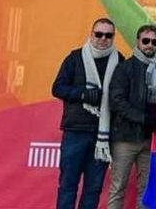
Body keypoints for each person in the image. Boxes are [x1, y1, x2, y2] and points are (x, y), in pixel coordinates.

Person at [52, 17, 123, 209]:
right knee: (68, 185)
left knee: (93, 188)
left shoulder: (120, 61)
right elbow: (57, 88)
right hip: (75, 131)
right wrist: (82, 94)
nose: (103, 39)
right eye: (98, 34)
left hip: (103, 135)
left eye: (108, 35)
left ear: (113, 37)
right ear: (91, 34)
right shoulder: (74, 58)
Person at [107, 24, 156, 209]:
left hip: (149, 140)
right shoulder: (124, 68)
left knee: (146, 189)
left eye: (154, 42)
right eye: (146, 41)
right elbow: (116, 102)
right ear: (138, 42)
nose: (150, 45)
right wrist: (142, 118)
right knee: (118, 188)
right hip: (125, 138)